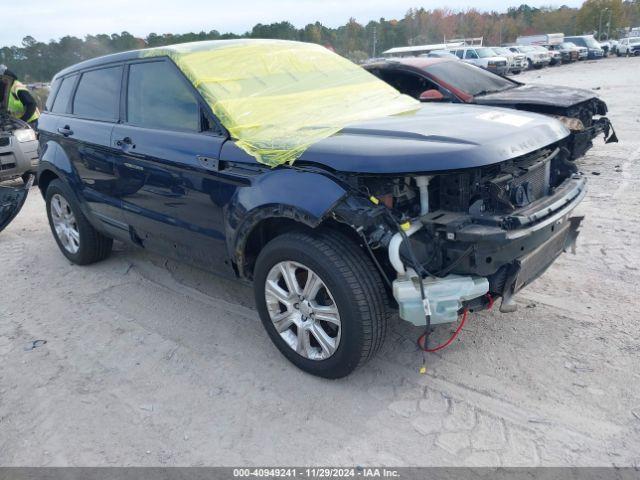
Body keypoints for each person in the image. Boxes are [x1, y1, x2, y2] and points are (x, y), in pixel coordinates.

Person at [0, 64, 40, 130]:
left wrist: (23, 120)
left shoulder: (17, 87)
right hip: (18, 121)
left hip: (29, 121)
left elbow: (32, 104)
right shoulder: (5, 88)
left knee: (27, 140)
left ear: (4, 77)